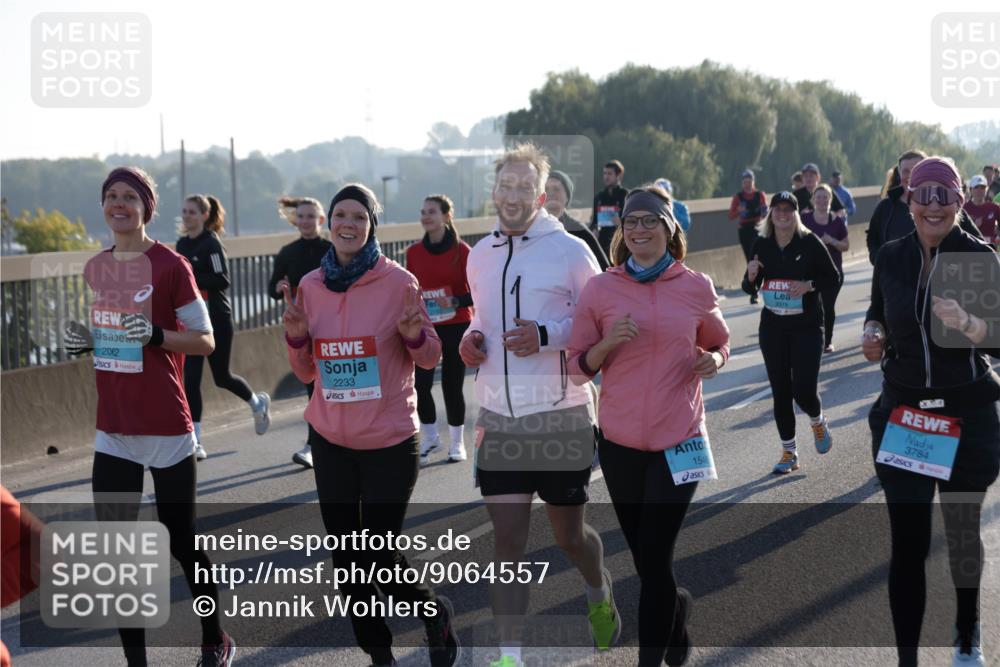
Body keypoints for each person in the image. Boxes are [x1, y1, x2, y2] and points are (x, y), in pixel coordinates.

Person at [281, 183, 459, 667]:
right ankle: (380, 654)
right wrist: (296, 338)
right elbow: (307, 373)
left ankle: (433, 612)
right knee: (347, 561)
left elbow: (431, 358)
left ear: (371, 225)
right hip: (331, 440)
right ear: (329, 223)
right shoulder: (311, 286)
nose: (348, 224)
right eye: (341, 214)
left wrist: (415, 335)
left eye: (359, 216)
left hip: (389, 441)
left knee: (379, 557)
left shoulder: (399, 282)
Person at [63, 166, 235, 667]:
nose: (119, 204)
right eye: (111, 196)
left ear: (146, 208)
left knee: (182, 542)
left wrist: (156, 335)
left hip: (165, 426)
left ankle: (214, 638)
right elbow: (116, 337)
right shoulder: (96, 267)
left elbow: (205, 341)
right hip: (114, 428)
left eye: (130, 197)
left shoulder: (172, 265)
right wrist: (90, 341)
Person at [459, 144, 613, 667]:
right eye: (506, 185)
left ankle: (597, 591)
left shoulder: (571, 250)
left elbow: (598, 320)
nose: (513, 195)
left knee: (570, 537)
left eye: (525, 187)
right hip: (499, 417)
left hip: (560, 414)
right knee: (507, 541)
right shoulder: (479, 254)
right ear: (494, 191)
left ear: (542, 196)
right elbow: (481, 318)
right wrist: (472, 340)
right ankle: (509, 655)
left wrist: (546, 336)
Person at [568, 185, 730, 667]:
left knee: (656, 557)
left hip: (680, 438)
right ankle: (675, 612)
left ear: (669, 228)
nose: (639, 229)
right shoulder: (601, 289)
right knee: (646, 560)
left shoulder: (695, 285)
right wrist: (607, 344)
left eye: (650, 221)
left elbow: (720, 341)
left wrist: (715, 360)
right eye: (631, 222)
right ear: (622, 231)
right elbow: (577, 367)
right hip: (619, 444)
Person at [862, 156, 999, 667]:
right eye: (924, 195)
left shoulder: (979, 258)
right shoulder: (891, 257)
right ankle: (907, 658)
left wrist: (969, 324)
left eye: (944, 195)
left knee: (962, 533)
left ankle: (966, 637)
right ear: (909, 201)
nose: (934, 206)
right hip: (907, 415)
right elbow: (878, 311)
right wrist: (873, 332)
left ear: (960, 202)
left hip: (966, 416)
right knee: (909, 543)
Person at [741, 191, 839, 474]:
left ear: (796, 214)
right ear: (771, 214)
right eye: (778, 210)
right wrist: (751, 276)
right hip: (773, 328)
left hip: (807, 326)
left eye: (788, 210)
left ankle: (817, 421)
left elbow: (832, 278)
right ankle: (789, 452)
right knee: (781, 391)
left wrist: (809, 285)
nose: (783, 214)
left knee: (803, 390)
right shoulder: (761, 243)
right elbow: (750, 286)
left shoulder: (809, 242)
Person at [177, 194, 271, 461]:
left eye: (192, 212)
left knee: (222, 377)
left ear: (204, 215)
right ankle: (195, 441)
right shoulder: (182, 244)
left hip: (217, 319)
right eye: (184, 211)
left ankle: (257, 403)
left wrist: (191, 278)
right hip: (192, 322)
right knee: (190, 380)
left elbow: (222, 279)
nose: (187, 216)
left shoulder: (211, 243)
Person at [405, 194, 473, 465]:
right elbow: (410, 290)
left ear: (446, 216)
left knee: (451, 385)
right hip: (426, 326)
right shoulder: (413, 253)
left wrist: (455, 301)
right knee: (420, 384)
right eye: (423, 212)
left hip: (456, 324)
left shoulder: (462, 251)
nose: (426, 217)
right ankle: (431, 437)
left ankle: (457, 443)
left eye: (431, 211)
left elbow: (478, 292)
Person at [267, 196, 332, 468]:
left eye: (310, 216)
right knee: (312, 386)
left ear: (321, 220)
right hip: (303, 328)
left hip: (332, 324)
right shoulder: (288, 252)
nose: (305, 221)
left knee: (331, 386)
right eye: (301, 216)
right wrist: (280, 287)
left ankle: (333, 440)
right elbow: (272, 289)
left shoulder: (331, 249)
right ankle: (313, 445)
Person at [867, 150, 985, 265]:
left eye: (916, 169)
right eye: (906, 171)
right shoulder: (885, 207)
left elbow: (979, 244)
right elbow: (873, 238)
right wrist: (880, 261)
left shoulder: (948, 208)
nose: (911, 176)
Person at [801, 184, 850, 352]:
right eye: (818, 197)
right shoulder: (804, 220)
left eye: (825, 197)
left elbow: (846, 246)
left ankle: (827, 341)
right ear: (813, 200)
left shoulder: (837, 222)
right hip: (810, 272)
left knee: (827, 306)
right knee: (812, 306)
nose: (822, 200)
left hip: (832, 273)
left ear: (830, 200)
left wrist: (832, 241)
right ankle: (812, 338)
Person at [544, 169, 609, 270]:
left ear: (567, 197)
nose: (550, 194)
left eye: (556, 189)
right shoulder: (530, 230)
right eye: (546, 189)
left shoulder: (579, 232)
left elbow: (604, 270)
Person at [728, 169, 769, 304]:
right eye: (745, 182)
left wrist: (764, 211)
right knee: (749, 259)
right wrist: (738, 211)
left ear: (753, 182)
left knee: (757, 257)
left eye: (749, 181)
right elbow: (731, 215)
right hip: (744, 230)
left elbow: (766, 212)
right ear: (742, 183)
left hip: (757, 228)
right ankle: (754, 290)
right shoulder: (738, 197)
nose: (747, 184)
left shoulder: (760, 195)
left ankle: (757, 289)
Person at [590, 160, 628, 258]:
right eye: (605, 173)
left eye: (609, 174)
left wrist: (622, 222)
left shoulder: (626, 196)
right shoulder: (599, 197)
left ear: (618, 175)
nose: (606, 177)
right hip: (601, 245)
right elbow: (594, 221)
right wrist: (594, 229)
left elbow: (633, 219)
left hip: (621, 243)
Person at [963, 175, 1000, 247]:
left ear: (986, 190)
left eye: (983, 187)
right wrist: (974, 226)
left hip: (990, 249)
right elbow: (959, 231)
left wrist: (998, 237)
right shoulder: (964, 208)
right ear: (970, 190)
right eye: (976, 187)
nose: (979, 191)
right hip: (970, 248)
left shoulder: (994, 207)